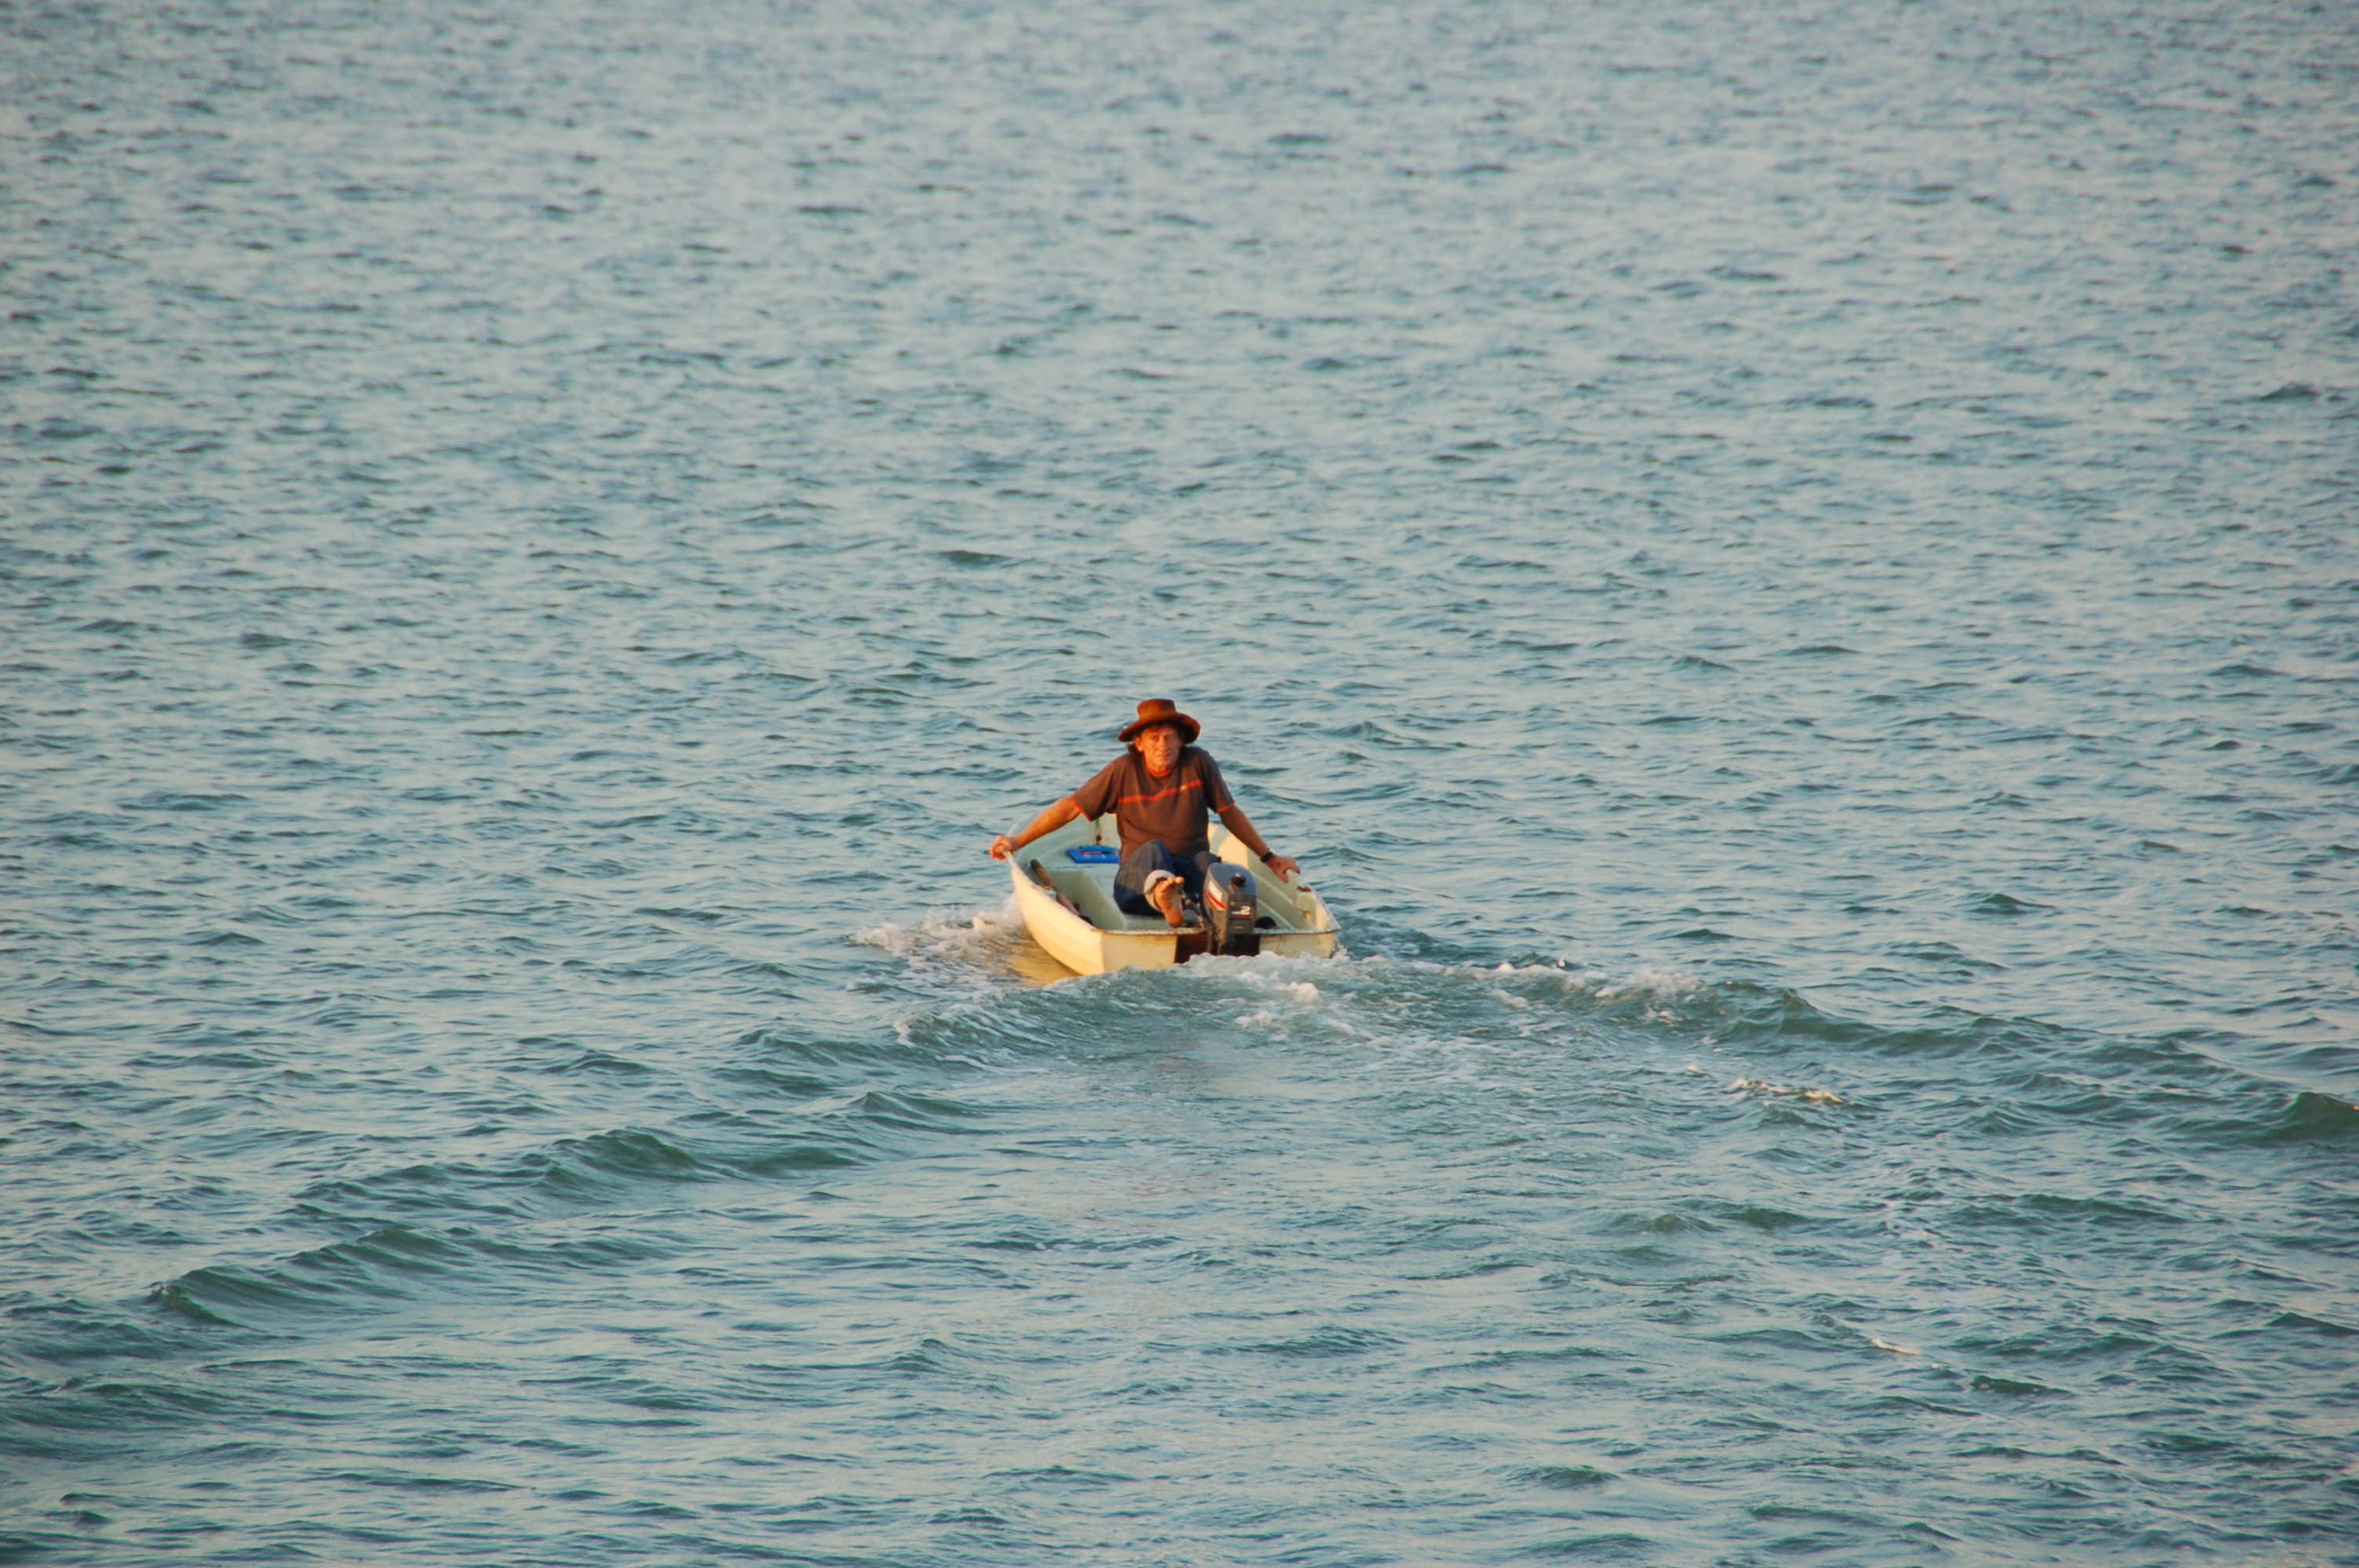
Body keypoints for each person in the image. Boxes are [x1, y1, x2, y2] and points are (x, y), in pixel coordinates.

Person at [988, 698, 1306, 927]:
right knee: (1154, 850)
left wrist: (1270, 858)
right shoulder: (1122, 770)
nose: (1162, 745)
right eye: (1154, 738)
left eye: (1169, 738)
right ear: (1139, 744)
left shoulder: (1198, 763)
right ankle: (1164, 895)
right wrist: (1019, 841)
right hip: (1136, 883)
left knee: (1208, 862)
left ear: (1181, 741)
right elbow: (1071, 807)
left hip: (1187, 877)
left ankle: (1202, 909)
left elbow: (1230, 813)